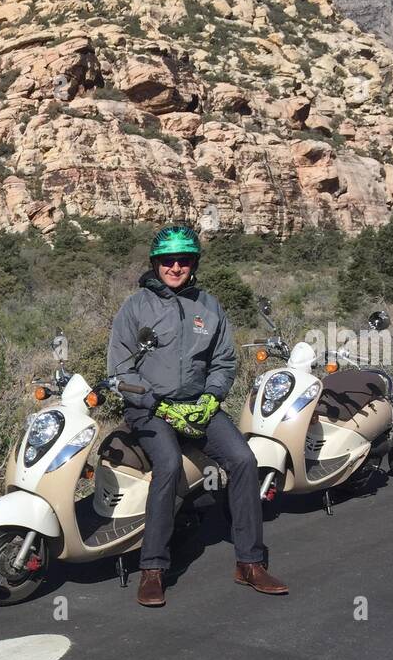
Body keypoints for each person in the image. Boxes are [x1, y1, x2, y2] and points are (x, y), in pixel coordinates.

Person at [107, 224, 288, 607]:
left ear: (194, 263)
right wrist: (157, 404)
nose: (176, 267)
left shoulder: (209, 306)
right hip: (150, 410)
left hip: (198, 406)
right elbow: (121, 370)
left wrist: (210, 398)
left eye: (184, 260)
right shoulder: (135, 307)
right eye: (168, 260)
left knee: (243, 460)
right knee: (169, 464)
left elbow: (223, 361)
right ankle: (153, 568)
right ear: (155, 263)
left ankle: (250, 562)